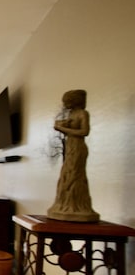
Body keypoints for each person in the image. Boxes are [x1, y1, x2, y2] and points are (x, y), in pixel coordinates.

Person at [47, 90, 99, 222]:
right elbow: (64, 122)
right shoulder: (72, 114)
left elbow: (84, 131)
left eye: (66, 101)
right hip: (70, 146)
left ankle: (77, 206)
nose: (64, 104)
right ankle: (65, 203)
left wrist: (62, 129)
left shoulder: (83, 114)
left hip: (78, 147)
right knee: (66, 174)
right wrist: (61, 124)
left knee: (75, 174)